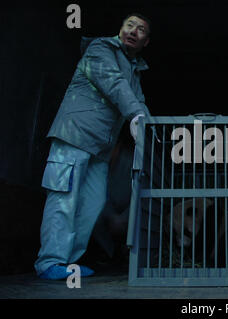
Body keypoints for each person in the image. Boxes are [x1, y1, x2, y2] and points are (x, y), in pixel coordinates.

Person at [34, 13, 152, 280]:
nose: (134, 30)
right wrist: (136, 115)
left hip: (99, 148)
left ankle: (69, 261)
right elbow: (114, 83)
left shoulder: (134, 70)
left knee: (93, 203)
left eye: (141, 29)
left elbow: (139, 101)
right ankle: (50, 261)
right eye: (129, 25)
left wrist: (154, 132)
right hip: (74, 135)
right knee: (64, 197)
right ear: (120, 29)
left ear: (146, 41)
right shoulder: (101, 48)